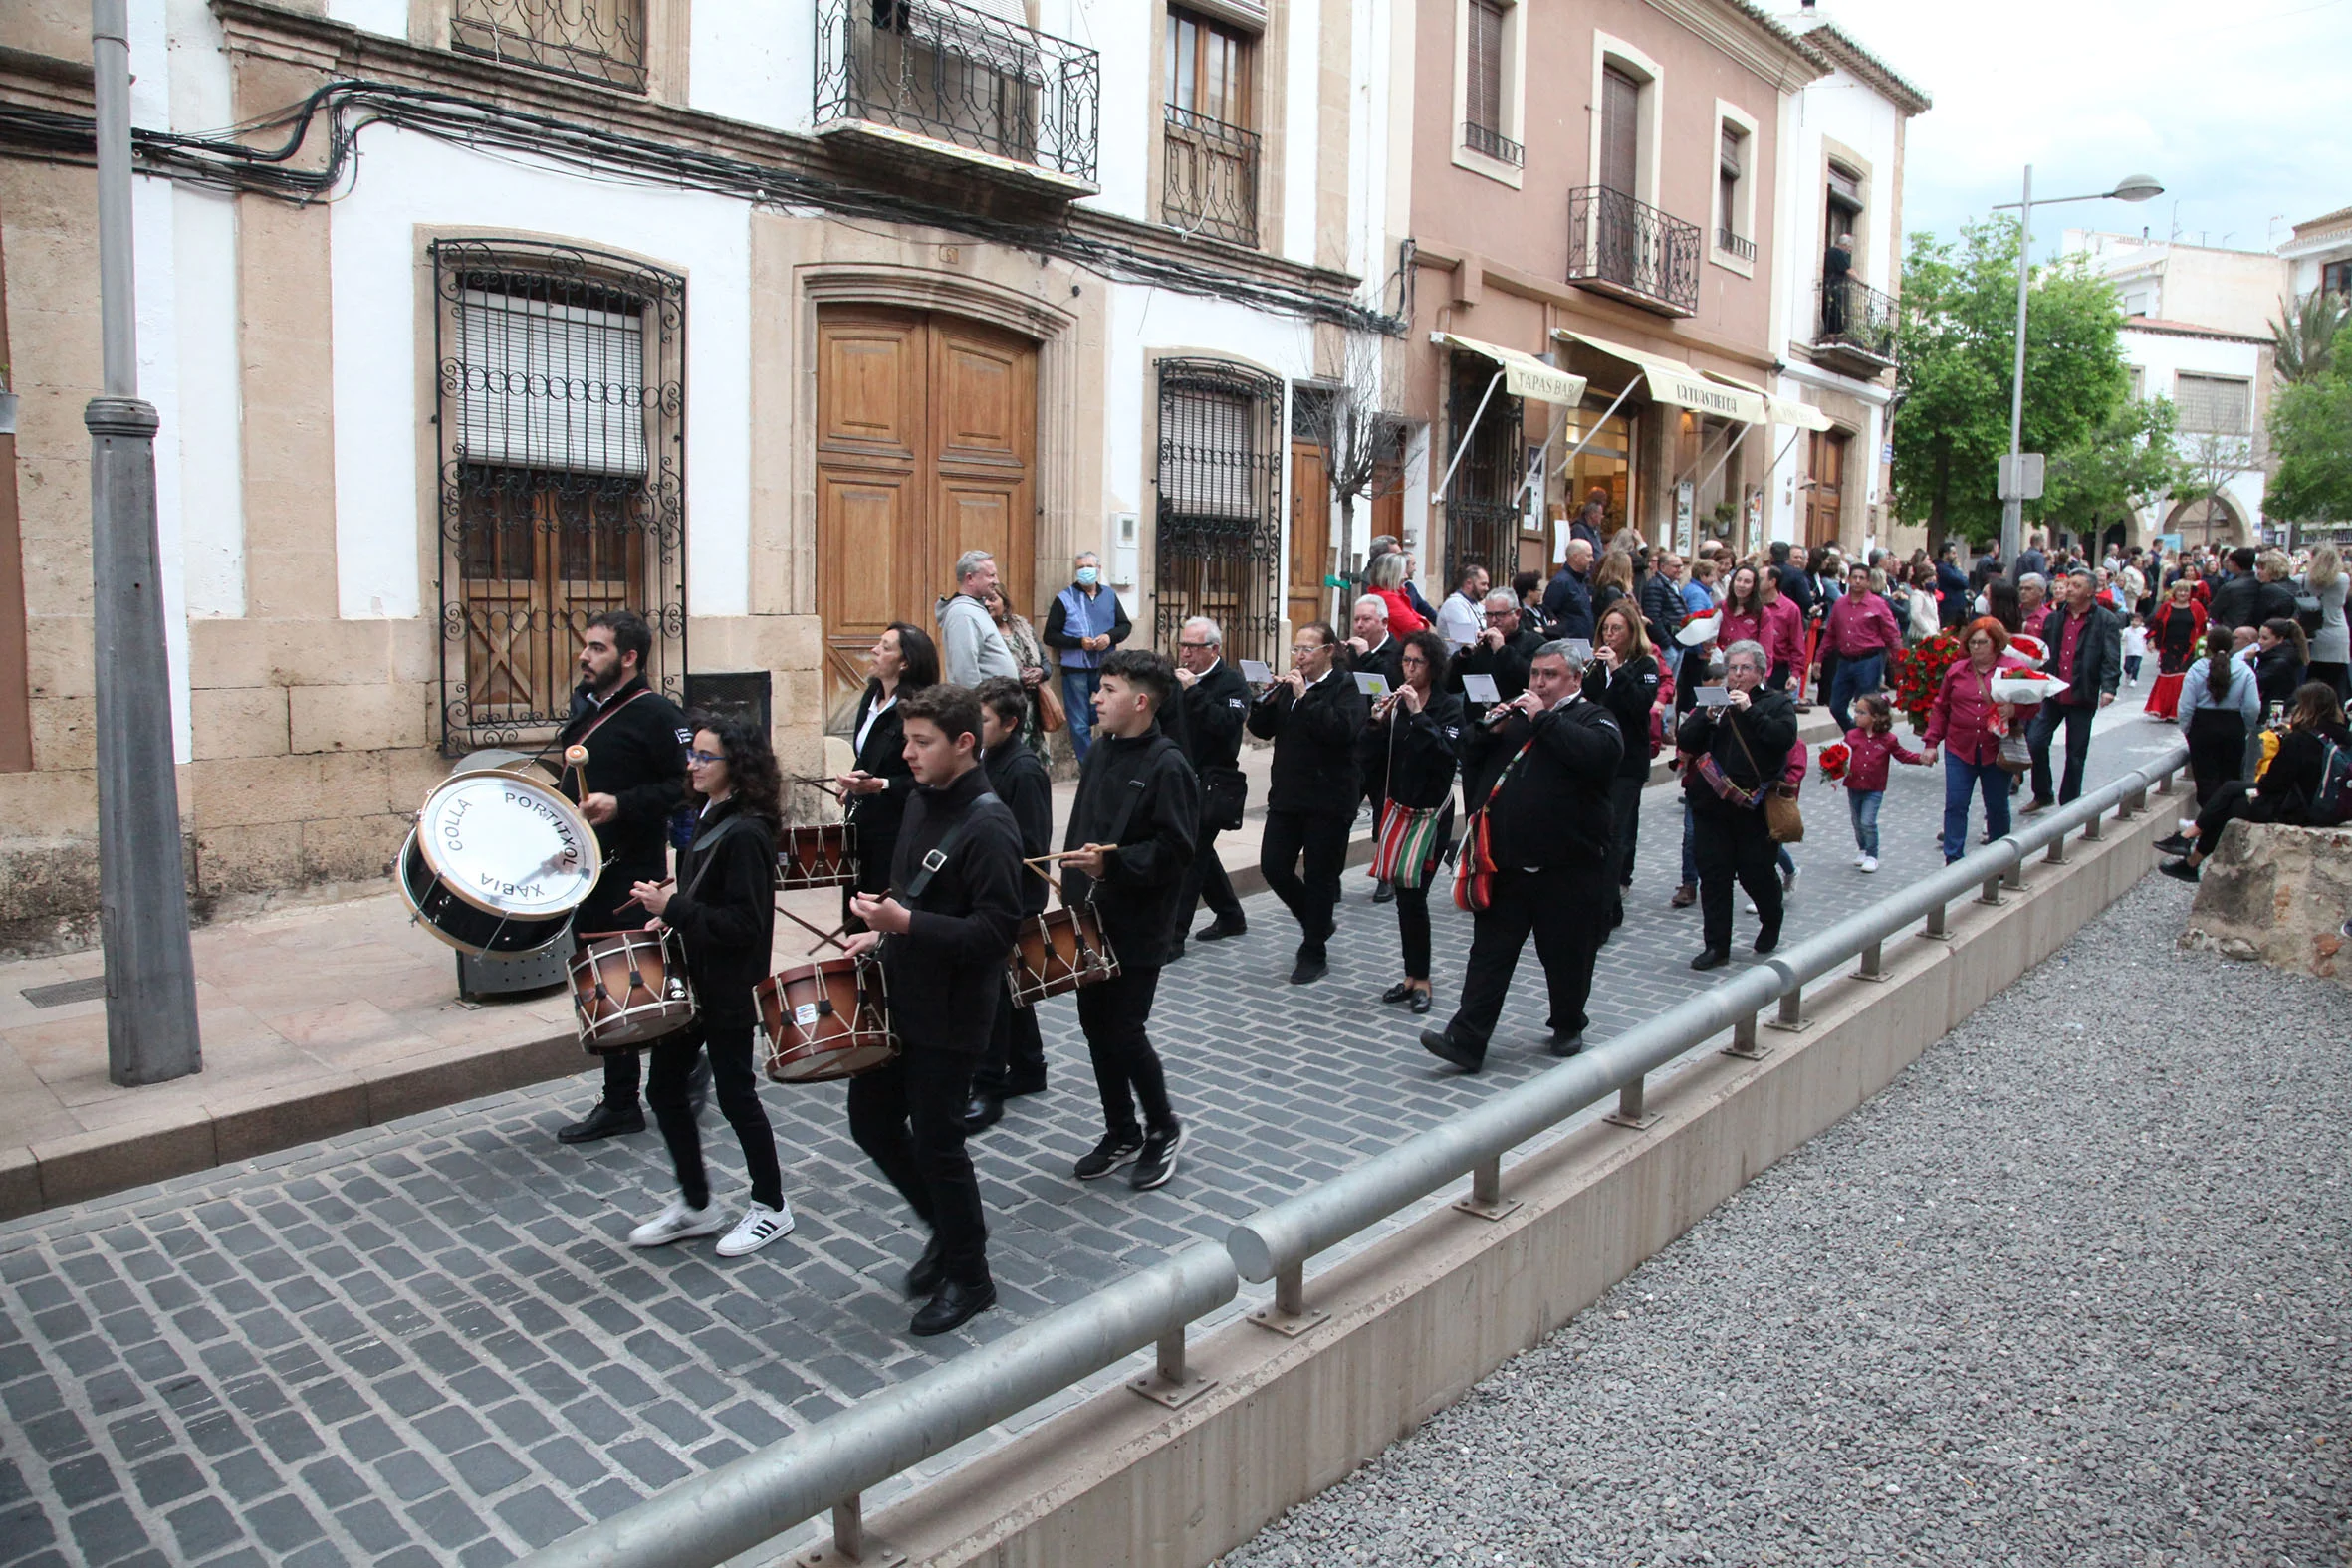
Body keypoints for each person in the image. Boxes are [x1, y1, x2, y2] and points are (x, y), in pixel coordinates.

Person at [842, 683, 1024, 1338]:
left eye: (922, 742)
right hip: (902, 992)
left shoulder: (990, 823)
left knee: (941, 1140)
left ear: (965, 743)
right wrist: (884, 930)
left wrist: (908, 923)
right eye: (907, 740)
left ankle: (972, 1276)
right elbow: (913, 888)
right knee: (872, 1119)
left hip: (951, 1014)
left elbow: (997, 933)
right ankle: (946, 1233)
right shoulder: (923, 798)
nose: (908, 753)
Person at [624, 714, 793, 1258]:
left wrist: (673, 906)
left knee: (736, 1094)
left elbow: (745, 924)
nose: (692, 764)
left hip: (726, 984)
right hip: (693, 977)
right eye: (692, 755)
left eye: (705, 757)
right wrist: (670, 915)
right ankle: (697, 1205)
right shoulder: (709, 814)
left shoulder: (745, 832)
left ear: (736, 766)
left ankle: (772, 1206)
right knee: (665, 1089)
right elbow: (706, 898)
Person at [1419, 641, 1622, 1071]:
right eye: (1535, 675)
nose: (1539, 683)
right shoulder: (1515, 715)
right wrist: (1483, 732)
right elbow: (1468, 754)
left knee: (1566, 955)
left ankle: (1568, 1023)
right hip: (1507, 863)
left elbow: (1598, 756)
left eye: (1550, 676)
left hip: (1567, 867)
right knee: (1489, 955)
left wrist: (1543, 720)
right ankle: (1466, 1038)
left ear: (1575, 679)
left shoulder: (1594, 717)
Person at [1058, 650, 1197, 1192]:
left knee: (1124, 1028)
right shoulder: (1100, 750)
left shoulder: (1168, 765)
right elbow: (1081, 828)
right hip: (1091, 916)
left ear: (1140, 702)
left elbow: (1177, 851)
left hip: (1139, 923)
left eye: (1108, 689)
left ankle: (1163, 1126)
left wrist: (1113, 863)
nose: (1096, 697)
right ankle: (1121, 1129)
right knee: (1095, 1025)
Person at [555, 610, 692, 1147]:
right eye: (586, 647)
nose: (584, 657)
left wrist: (623, 804)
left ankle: (626, 1101)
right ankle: (625, 1095)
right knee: (599, 980)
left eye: (597, 649)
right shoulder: (589, 707)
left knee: (628, 982)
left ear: (629, 657)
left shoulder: (657, 715)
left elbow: (686, 785)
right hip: (585, 870)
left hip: (630, 873)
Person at [1249, 621, 1368, 985]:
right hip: (1288, 794)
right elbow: (1262, 730)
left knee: (1320, 877)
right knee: (1273, 866)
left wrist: (1306, 697)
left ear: (1328, 651)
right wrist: (1265, 698)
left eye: (1306, 650)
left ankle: (1313, 950)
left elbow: (1341, 731)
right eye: (1296, 650)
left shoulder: (1347, 687)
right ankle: (1316, 921)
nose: (1299, 657)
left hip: (1329, 799)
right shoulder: (1290, 687)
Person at [1359, 630, 1464, 1016]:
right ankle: (1409, 976)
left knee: (1415, 895)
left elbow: (1444, 754)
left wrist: (1419, 715)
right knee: (1404, 895)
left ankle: (1422, 979)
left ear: (1433, 666)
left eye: (1417, 662)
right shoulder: (1395, 706)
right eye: (1405, 660)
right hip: (1399, 810)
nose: (1409, 668)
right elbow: (1367, 756)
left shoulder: (1448, 707)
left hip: (1431, 813)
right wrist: (1374, 722)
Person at [964, 678, 1053, 1132]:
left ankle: (989, 1083)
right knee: (1008, 987)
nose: (974, 728)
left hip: (1012, 895)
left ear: (1010, 722)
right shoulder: (984, 758)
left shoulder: (1022, 769)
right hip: (988, 889)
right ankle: (1030, 1066)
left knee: (993, 990)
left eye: (982, 720)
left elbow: (1032, 845)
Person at [1680, 640, 1797, 969]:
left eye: (1745, 668)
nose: (1737, 675)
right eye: (1732, 668)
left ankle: (1771, 917)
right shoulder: (1714, 702)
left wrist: (1749, 710)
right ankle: (1717, 946)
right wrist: (1706, 717)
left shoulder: (1775, 703)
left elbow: (1782, 738)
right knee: (1714, 876)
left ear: (1761, 671)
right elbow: (1687, 740)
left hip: (1754, 809)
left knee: (1755, 873)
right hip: (1711, 805)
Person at [2159, 681, 2350, 882]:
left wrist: (2279, 750)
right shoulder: (2344, 737)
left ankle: (2188, 845)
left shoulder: (2301, 739)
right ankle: (2189, 850)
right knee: (2231, 789)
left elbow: (2274, 784)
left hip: (2302, 810)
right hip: (2335, 808)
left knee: (2230, 803)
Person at [835, 623, 940, 932]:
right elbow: (868, 756)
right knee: (855, 905)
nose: (874, 651)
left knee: (882, 903)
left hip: (899, 824)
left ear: (904, 662)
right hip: (863, 820)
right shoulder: (871, 696)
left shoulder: (919, 707)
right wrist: (853, 785)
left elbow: (928, 777)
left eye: (885, 646)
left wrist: (880, 785)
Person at [1583, 600, 1666, 928]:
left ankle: (1602, 914)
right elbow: (1588, 697)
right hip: (1600, 756)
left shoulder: (1645, 664)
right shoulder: (1599, 663)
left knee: (1614, 834)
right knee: (1598, 832)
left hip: (1629, 760)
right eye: (1605, 629)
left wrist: (1617, 670)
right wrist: (1595, 669)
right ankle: (1612, 906)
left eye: (1616, 629)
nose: (1609, 635)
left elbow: (1640, 705)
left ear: (1631, 631)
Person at [1173, 616, 1251, 947]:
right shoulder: (1176, 680)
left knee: (1190, 857)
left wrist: (1193, 691)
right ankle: (1231, 915)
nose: (1186, 653)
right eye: (1183, 645)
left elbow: (1226, 723)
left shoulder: (1231, 682)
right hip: (1180, 778)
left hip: (1214, 782)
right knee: (1201, 852)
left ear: (1213, 649)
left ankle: (1174, 936)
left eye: (1193, 646)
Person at [2022, 567, 2122, 812]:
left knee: (2075, 753)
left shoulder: (2105, 620)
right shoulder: (2055, 619)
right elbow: (2045, 654)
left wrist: (2109, 687)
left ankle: (2069, 806)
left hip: (2082, 693)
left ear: (2090, 591)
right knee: (2035, 741)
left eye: (2076, 586)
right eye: (2068, 585)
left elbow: (2111, 657)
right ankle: (2043, 792)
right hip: (2054, 693)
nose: (2069, 590)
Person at [1921, 618, 2019, 863]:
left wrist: (2016, 710)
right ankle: (1953, 859)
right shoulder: (1957, 671)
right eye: (1972, 643)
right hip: (1959, 748)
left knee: (1997, 806)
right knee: (1955, 804)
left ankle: (2000, 859)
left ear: (1996, 643)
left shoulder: (2012, 669)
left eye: (1982, 642)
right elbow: (1941, 708)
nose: (1976, 648)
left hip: (1995, 750)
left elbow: (2033, 704)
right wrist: (1931, 743)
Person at [1042, 551, 1133, 764]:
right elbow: (1049, 635)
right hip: (1076, 670)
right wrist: (1078, 642)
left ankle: (1112, 760)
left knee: (1113, 712)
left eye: (1089, 567)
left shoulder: (1109, 595)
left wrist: (1109, 638)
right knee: (1080, 724)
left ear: (1098, 570)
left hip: (1107, 666)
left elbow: (1125, 626)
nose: (1085, 571)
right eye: (1081, 567)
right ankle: (1089, 767)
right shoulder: (1064, 599)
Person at [1838, 692, 1925, 873]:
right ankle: (1862, 848)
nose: (1857, 716)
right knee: (1856, 821)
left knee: (1867, 821)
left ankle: (1872, 854)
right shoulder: (1852, 735)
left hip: (1874, 788)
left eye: (1862, 713)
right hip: (1853, 785)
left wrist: (1921, 759)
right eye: (1856, 711)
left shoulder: (1888, 739)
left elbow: (1903, 755)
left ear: (1875, 717)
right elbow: (1841, 756)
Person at [2181, 627, 2259, 808]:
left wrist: (2187, 728)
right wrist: (2246, 726)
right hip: (2233, 725)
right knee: (2230, 777)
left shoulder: (2197, 669)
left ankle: (2206, 821)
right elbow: (2252, 706)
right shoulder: (2244, 671)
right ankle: (2226, 818)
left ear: (2208, 645)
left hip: (2202, 725)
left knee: (2205, 778)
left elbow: (2186, 704)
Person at [1824, 559, 1902, 732]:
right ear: (1849, 580)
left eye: (1861, 578)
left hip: (1869, 660)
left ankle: (1867, 739)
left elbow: (1891, 633)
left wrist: (1898, 660)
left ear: (1868, 582)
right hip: (1844, 660)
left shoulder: (1878, 604)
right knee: (1836, 706)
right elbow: (1830, 633)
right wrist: (1818, 659)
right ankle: (1854, 734)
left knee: (1867, 705)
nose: (1857, 581)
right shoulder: (1840, 604)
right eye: (1854, 577)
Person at [1448, 589, 1543, 727]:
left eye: (1500, 615)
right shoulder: (1481, 646)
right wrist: (1462, 657)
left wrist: (1502, 650)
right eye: (1488, 615)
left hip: (1513, 725)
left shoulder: (1535, 643)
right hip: (1476, 726)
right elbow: (1451, 686)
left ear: (1517, 614)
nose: (1493, 621)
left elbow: (1532, 681)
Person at [979, 583, 1051, 763]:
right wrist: (1018, 678)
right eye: (984, 600)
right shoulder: (983, 632)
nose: (987, 604)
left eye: (993, 599)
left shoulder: (1022, 626)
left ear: (1005, 603)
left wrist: (1039, 672)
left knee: (1033, 758)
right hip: (1004, 705)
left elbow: (1045, 662)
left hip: (1031, 705)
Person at [935, 549, 1018, 687]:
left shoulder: (974, 609)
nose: (996, 581)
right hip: (985, 705)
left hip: (999, 703)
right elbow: (964, 671)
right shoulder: (962, 613)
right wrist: (976, 707)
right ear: (970, 578)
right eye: (990, 576)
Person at [2143, 580, 2209, 721]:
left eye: (2185, 591)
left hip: (2188, 648)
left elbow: (2203, 627)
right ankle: (2163, 709)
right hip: (2169, 647)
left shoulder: (2196, 607)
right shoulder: (2166, 607)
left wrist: (2203, 645)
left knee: (2183, 678)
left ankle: (2178, 710)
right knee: (2168, 676)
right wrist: (2152, 640)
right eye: (2180, 591)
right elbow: (2157, 625)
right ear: (2175, 592)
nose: (2182, 594)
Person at [2304, 545, 2349, 696]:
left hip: (2313, 635)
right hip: (2337, 637)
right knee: (2335, 687)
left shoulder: (2303, 580)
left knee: (2312, 686)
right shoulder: (2343, 580)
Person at [2249, 617, 2309, 716]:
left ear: (2280, 640)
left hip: (2272, 712)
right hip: (2277, 709)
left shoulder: (2279, 663)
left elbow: (2254, 684)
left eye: (2265, 638)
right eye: (2259, 637)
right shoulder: (2279, 658)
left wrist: (2249, 661)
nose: (2260, 642)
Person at [1542, 539, 1597, 641]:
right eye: (1588, 555)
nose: (1592, 559)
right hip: (1570, 643)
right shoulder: (1560, 583)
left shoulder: (1583, 581)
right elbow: (1549, 612)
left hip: (1585, 642)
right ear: (1576, 557)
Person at [1347, 593, 1406, 690]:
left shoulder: (1399, 653)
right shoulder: (1352, 651)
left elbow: (1394, 685)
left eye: (1366, 619)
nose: (1359, 625)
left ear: (1384, 622)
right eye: (1356, 620)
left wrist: (1367, 656)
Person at [1364, 550, 1429, 635]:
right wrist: (1420, 622)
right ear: (1392, 575)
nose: (1405, 576)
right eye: (1402, 572)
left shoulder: (1392, 595)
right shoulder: (1388, 598)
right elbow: (1416, 629)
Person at [1436, 562, 1490, 649]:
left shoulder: (1477, 604)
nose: (1486, 589)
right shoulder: (1454, 605)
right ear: (1468, 584)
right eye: (1483, 584)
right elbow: (1467, 641)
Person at [1936, 542, 1971, 630]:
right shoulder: (1942, 568)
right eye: (1953, 553)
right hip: (1950, 608)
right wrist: (1958, 571)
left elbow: (1966, 582)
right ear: (1945, 554)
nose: (1955, 555)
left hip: (1959, 608)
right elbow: (1961, 582)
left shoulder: (1953, 568)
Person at [2122, 615, 2149, 686]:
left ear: (2141, 623)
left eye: (2137, 621)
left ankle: (2134, 679)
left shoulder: (2143, 631)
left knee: (2136, 666)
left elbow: (2147, 639)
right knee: (2127, 666)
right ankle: (2128, 673)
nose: (2134, 623)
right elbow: (2123, 637)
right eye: (2133, 621)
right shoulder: (2127, 630)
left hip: (2138, 652)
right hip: (2129, 652)